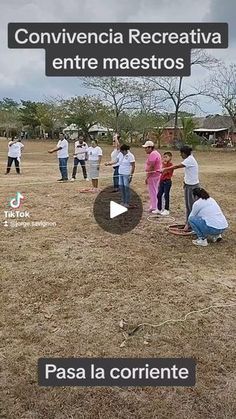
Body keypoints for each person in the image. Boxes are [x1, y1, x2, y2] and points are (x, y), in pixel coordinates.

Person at [162, 145, 199, 231]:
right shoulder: (189, 158)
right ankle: (188, 223)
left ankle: (190, 225)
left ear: (184, 153)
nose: (180, 155)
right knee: (188, 205)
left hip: (192, 187)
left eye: (181, 153)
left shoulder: (189, 160)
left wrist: (165, 169)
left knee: (190, 206)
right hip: (188, 185)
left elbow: (176, 166)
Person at [142, 140, 162, 213]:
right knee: (155, 190)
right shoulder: (156, 153)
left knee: (153, 191)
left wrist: (147, 177)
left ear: (150, 147)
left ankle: (154, 206)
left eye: (146, 148)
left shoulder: (153, 154)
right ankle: (155, 205)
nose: (145, 149)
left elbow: (151, 166)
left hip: (153, 175)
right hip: (156, 175)